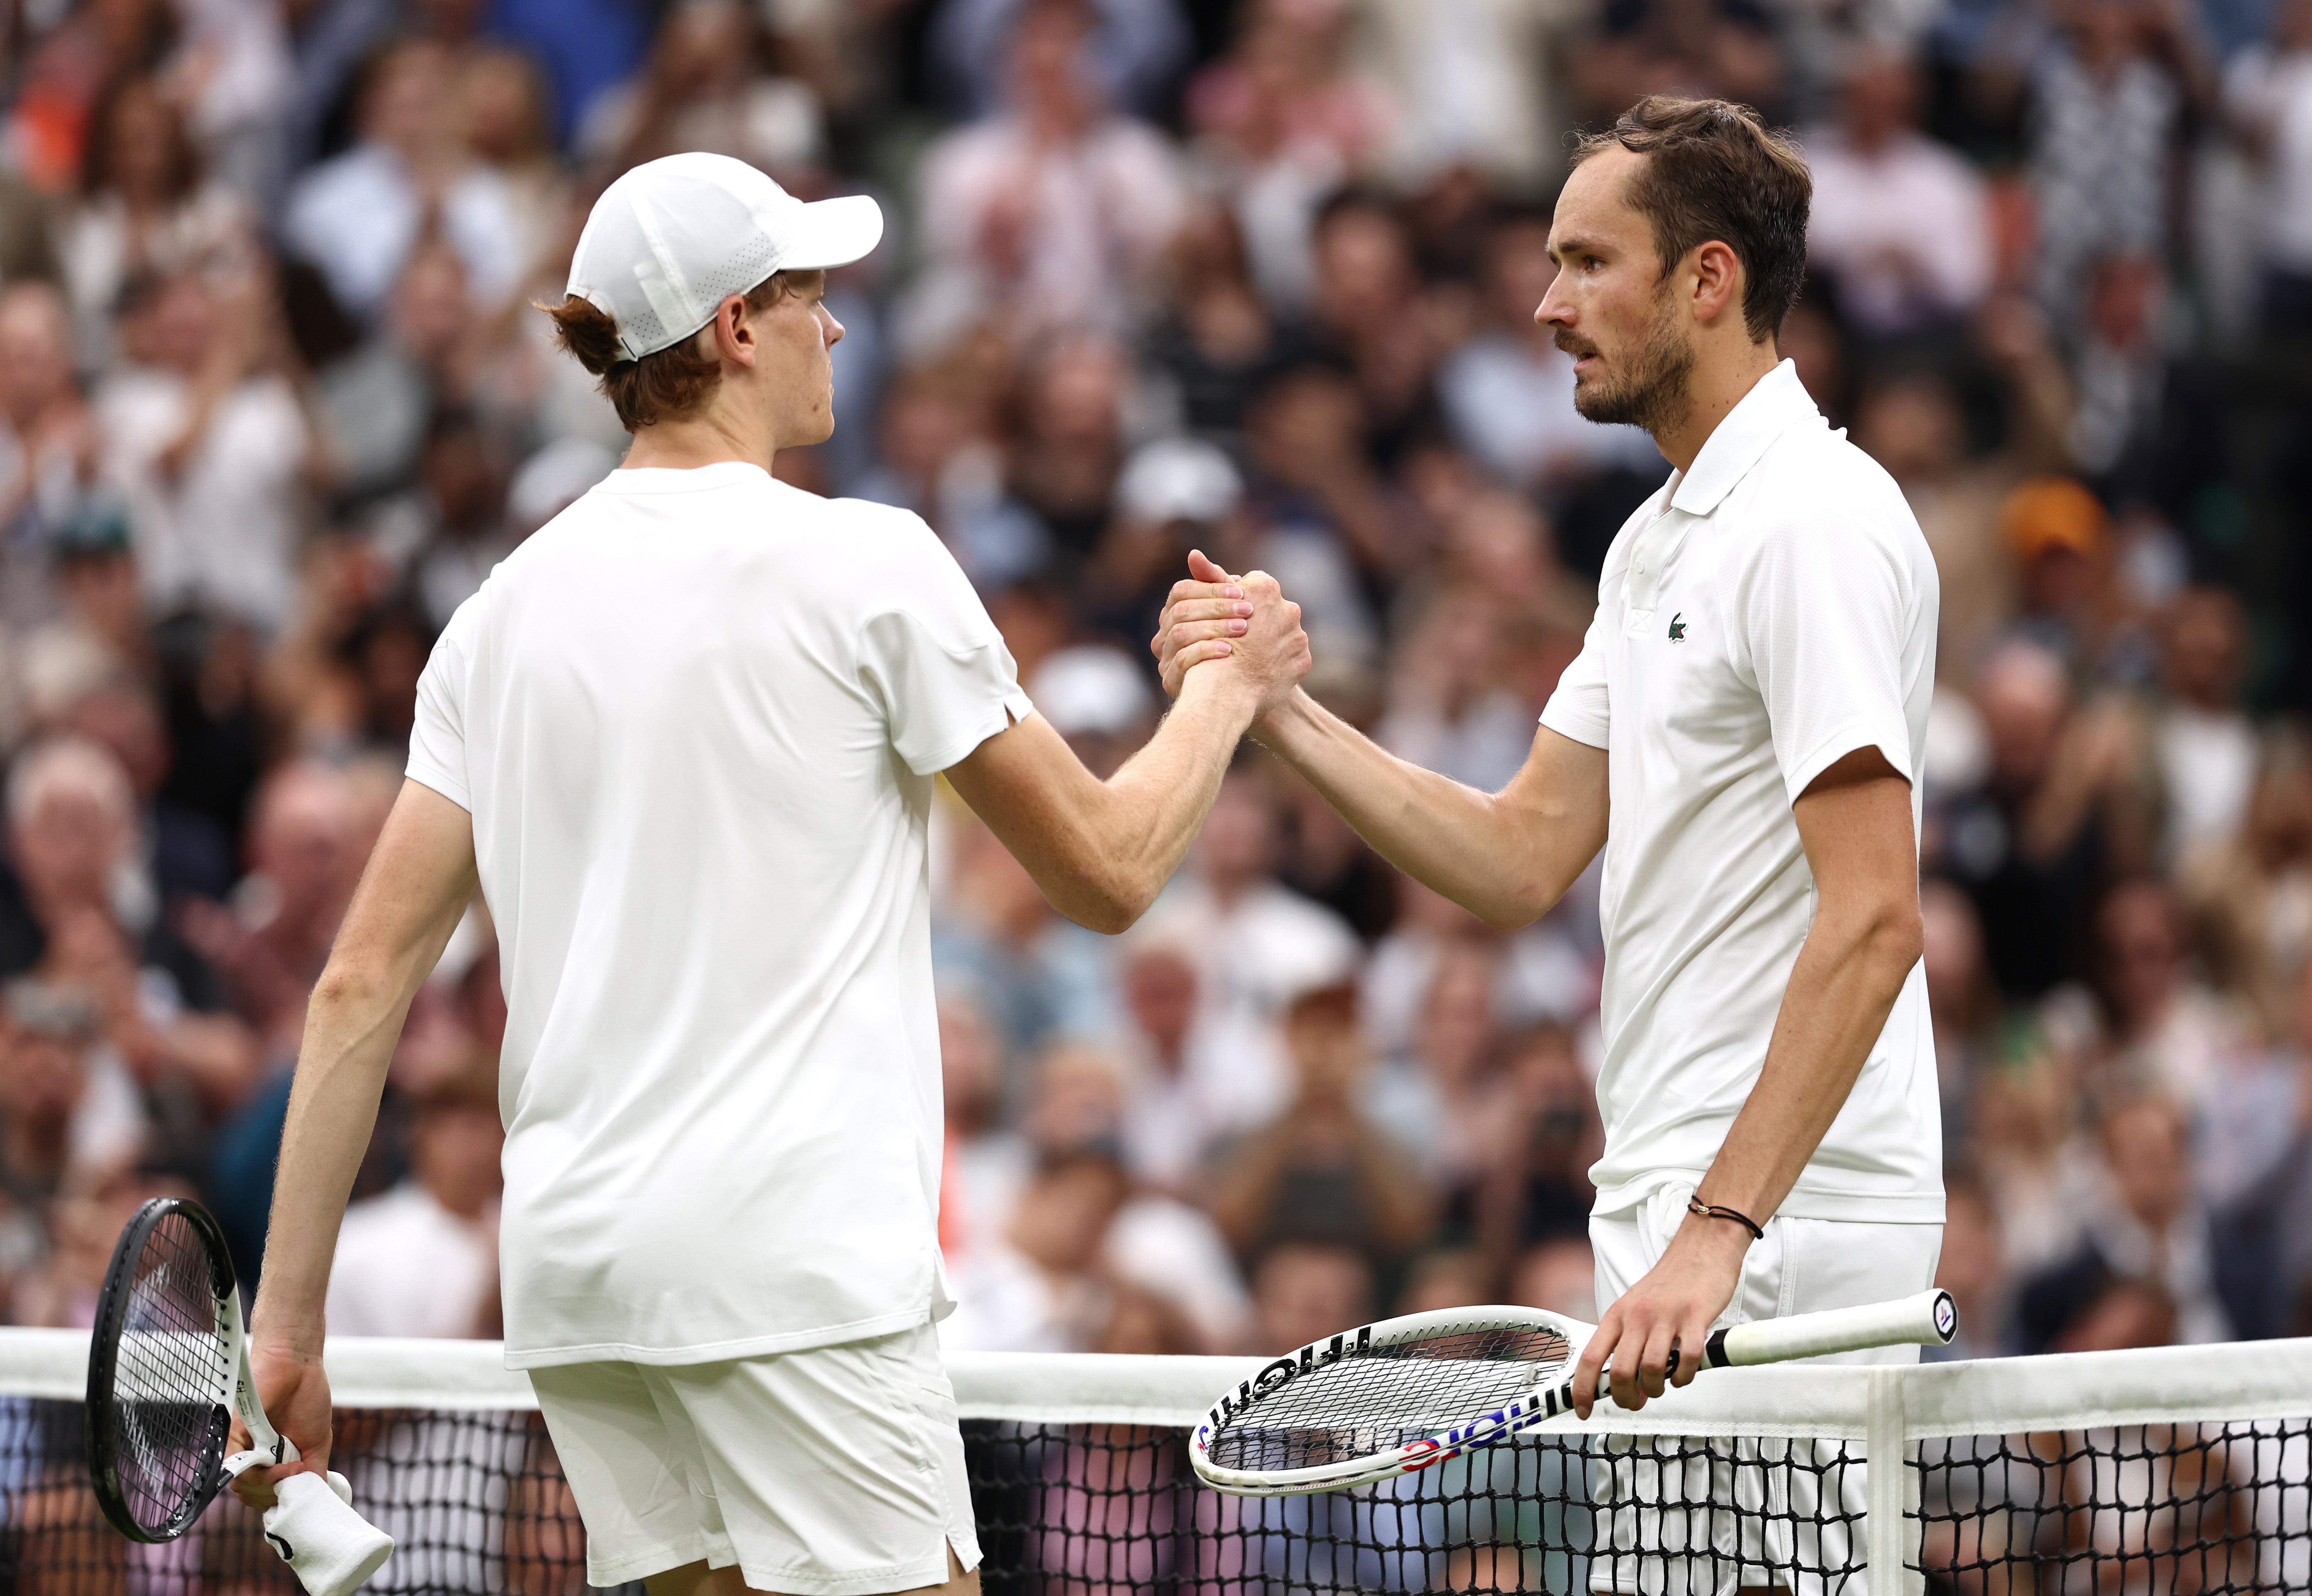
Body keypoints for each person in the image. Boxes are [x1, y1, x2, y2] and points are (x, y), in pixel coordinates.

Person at [233, 151, 1309, 1596]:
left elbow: (361, 981)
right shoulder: (867, 561)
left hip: (585, 1287)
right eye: (809, 294)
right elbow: (1110, 870)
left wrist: (288, 1331)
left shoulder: (495, 619)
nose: (838, 326)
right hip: (788, 1274)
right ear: (737, 327)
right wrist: (1228, 690)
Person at [1157, 94, 1940, 1588]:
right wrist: (1274, 707)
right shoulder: (1657, 540)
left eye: (1586, 262)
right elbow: (1519, 854)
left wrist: (1719, 1230)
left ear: (1706, 281)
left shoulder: (1814, 525)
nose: (1545, 303)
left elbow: (1875, 918)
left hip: (1782, 1219)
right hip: (1679, 1208)